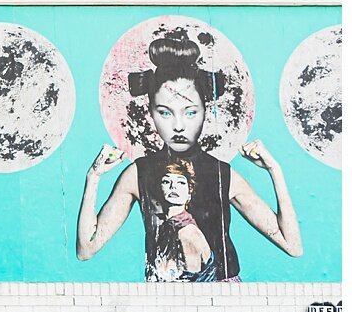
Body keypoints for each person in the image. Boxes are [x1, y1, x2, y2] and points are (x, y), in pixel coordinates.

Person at [76, 35, 302, 280]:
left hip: (224, 300)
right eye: (165, 112)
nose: (179, 125)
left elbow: (292, 245)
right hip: (164, 300)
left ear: (205, 111)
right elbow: (86, 249)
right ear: (151, 113)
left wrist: (275, 171)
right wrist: (94, 177)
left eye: (190, 112)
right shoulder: (138, 174)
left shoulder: (222, 174)